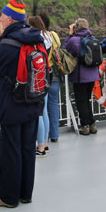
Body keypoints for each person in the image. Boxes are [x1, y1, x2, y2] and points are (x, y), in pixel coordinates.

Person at [0, 0, 43, 208]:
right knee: (27, 150)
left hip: (12, 105)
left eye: (1, 18)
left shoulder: (7, 45)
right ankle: (25, 193)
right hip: (33, 103)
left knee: (10, 152)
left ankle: (8, 197)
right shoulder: (36, 40)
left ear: (9, 19)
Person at [62, 18, 99, 135]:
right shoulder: (93, 38)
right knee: (86, 100)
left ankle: (85, 126)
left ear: (76, 28)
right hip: (93, 75)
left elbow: (63, 50)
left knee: (81, 101)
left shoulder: (74, 40)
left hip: (80, 76)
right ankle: (92, 124)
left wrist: (69, 34)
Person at [28, 15, 51, 157]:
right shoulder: (48, 37)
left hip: (37, 77)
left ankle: (40, 146)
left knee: (39, 113)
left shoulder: (36, 40)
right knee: (45, 111)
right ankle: (45, 143)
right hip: (46, 73)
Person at [39, 12, 61, 144]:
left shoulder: (40, 37)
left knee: (43, 106)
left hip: (44, 73)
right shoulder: (55, 35)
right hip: (56, 72)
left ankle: (43, 137)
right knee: (53, 104)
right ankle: (55, 134)